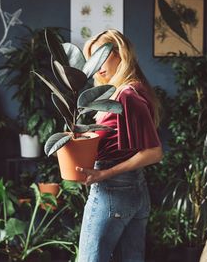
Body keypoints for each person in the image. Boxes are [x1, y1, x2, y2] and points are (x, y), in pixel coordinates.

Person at [76, 29, 163, 262]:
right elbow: (118, 140)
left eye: (102, 56)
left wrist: (105, 173)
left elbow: (154, 152)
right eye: (92, 60)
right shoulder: (126, 90)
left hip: (114, 190)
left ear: (119, 54)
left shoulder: (127, 94)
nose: (98, 65)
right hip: (133, 190)